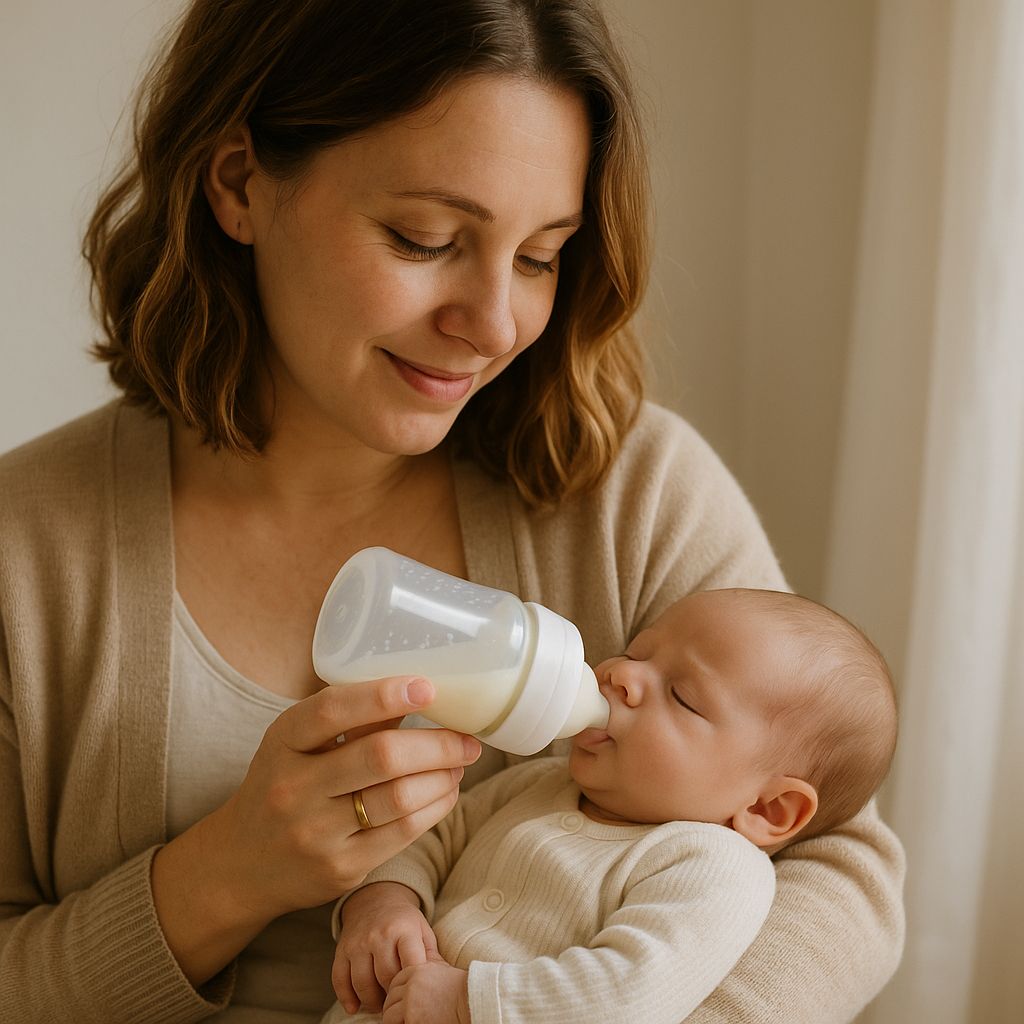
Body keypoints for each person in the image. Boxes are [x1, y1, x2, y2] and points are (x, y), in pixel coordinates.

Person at [0, 1, 904, 1021]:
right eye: (424, 237)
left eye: (538, 257)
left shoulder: (625, 493)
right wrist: (218, 879)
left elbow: (836, 865)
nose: (491, 323)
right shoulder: (27, 553)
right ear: (240, 182)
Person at [323, 587, 898, 1024]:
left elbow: (628, 992)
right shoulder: (538, 784)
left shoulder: (712, 867)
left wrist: (468, 1003)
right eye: (634, 652)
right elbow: (427, 833)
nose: (619, 675)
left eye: (682, 696)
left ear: (769, 809)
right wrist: (383, 904)